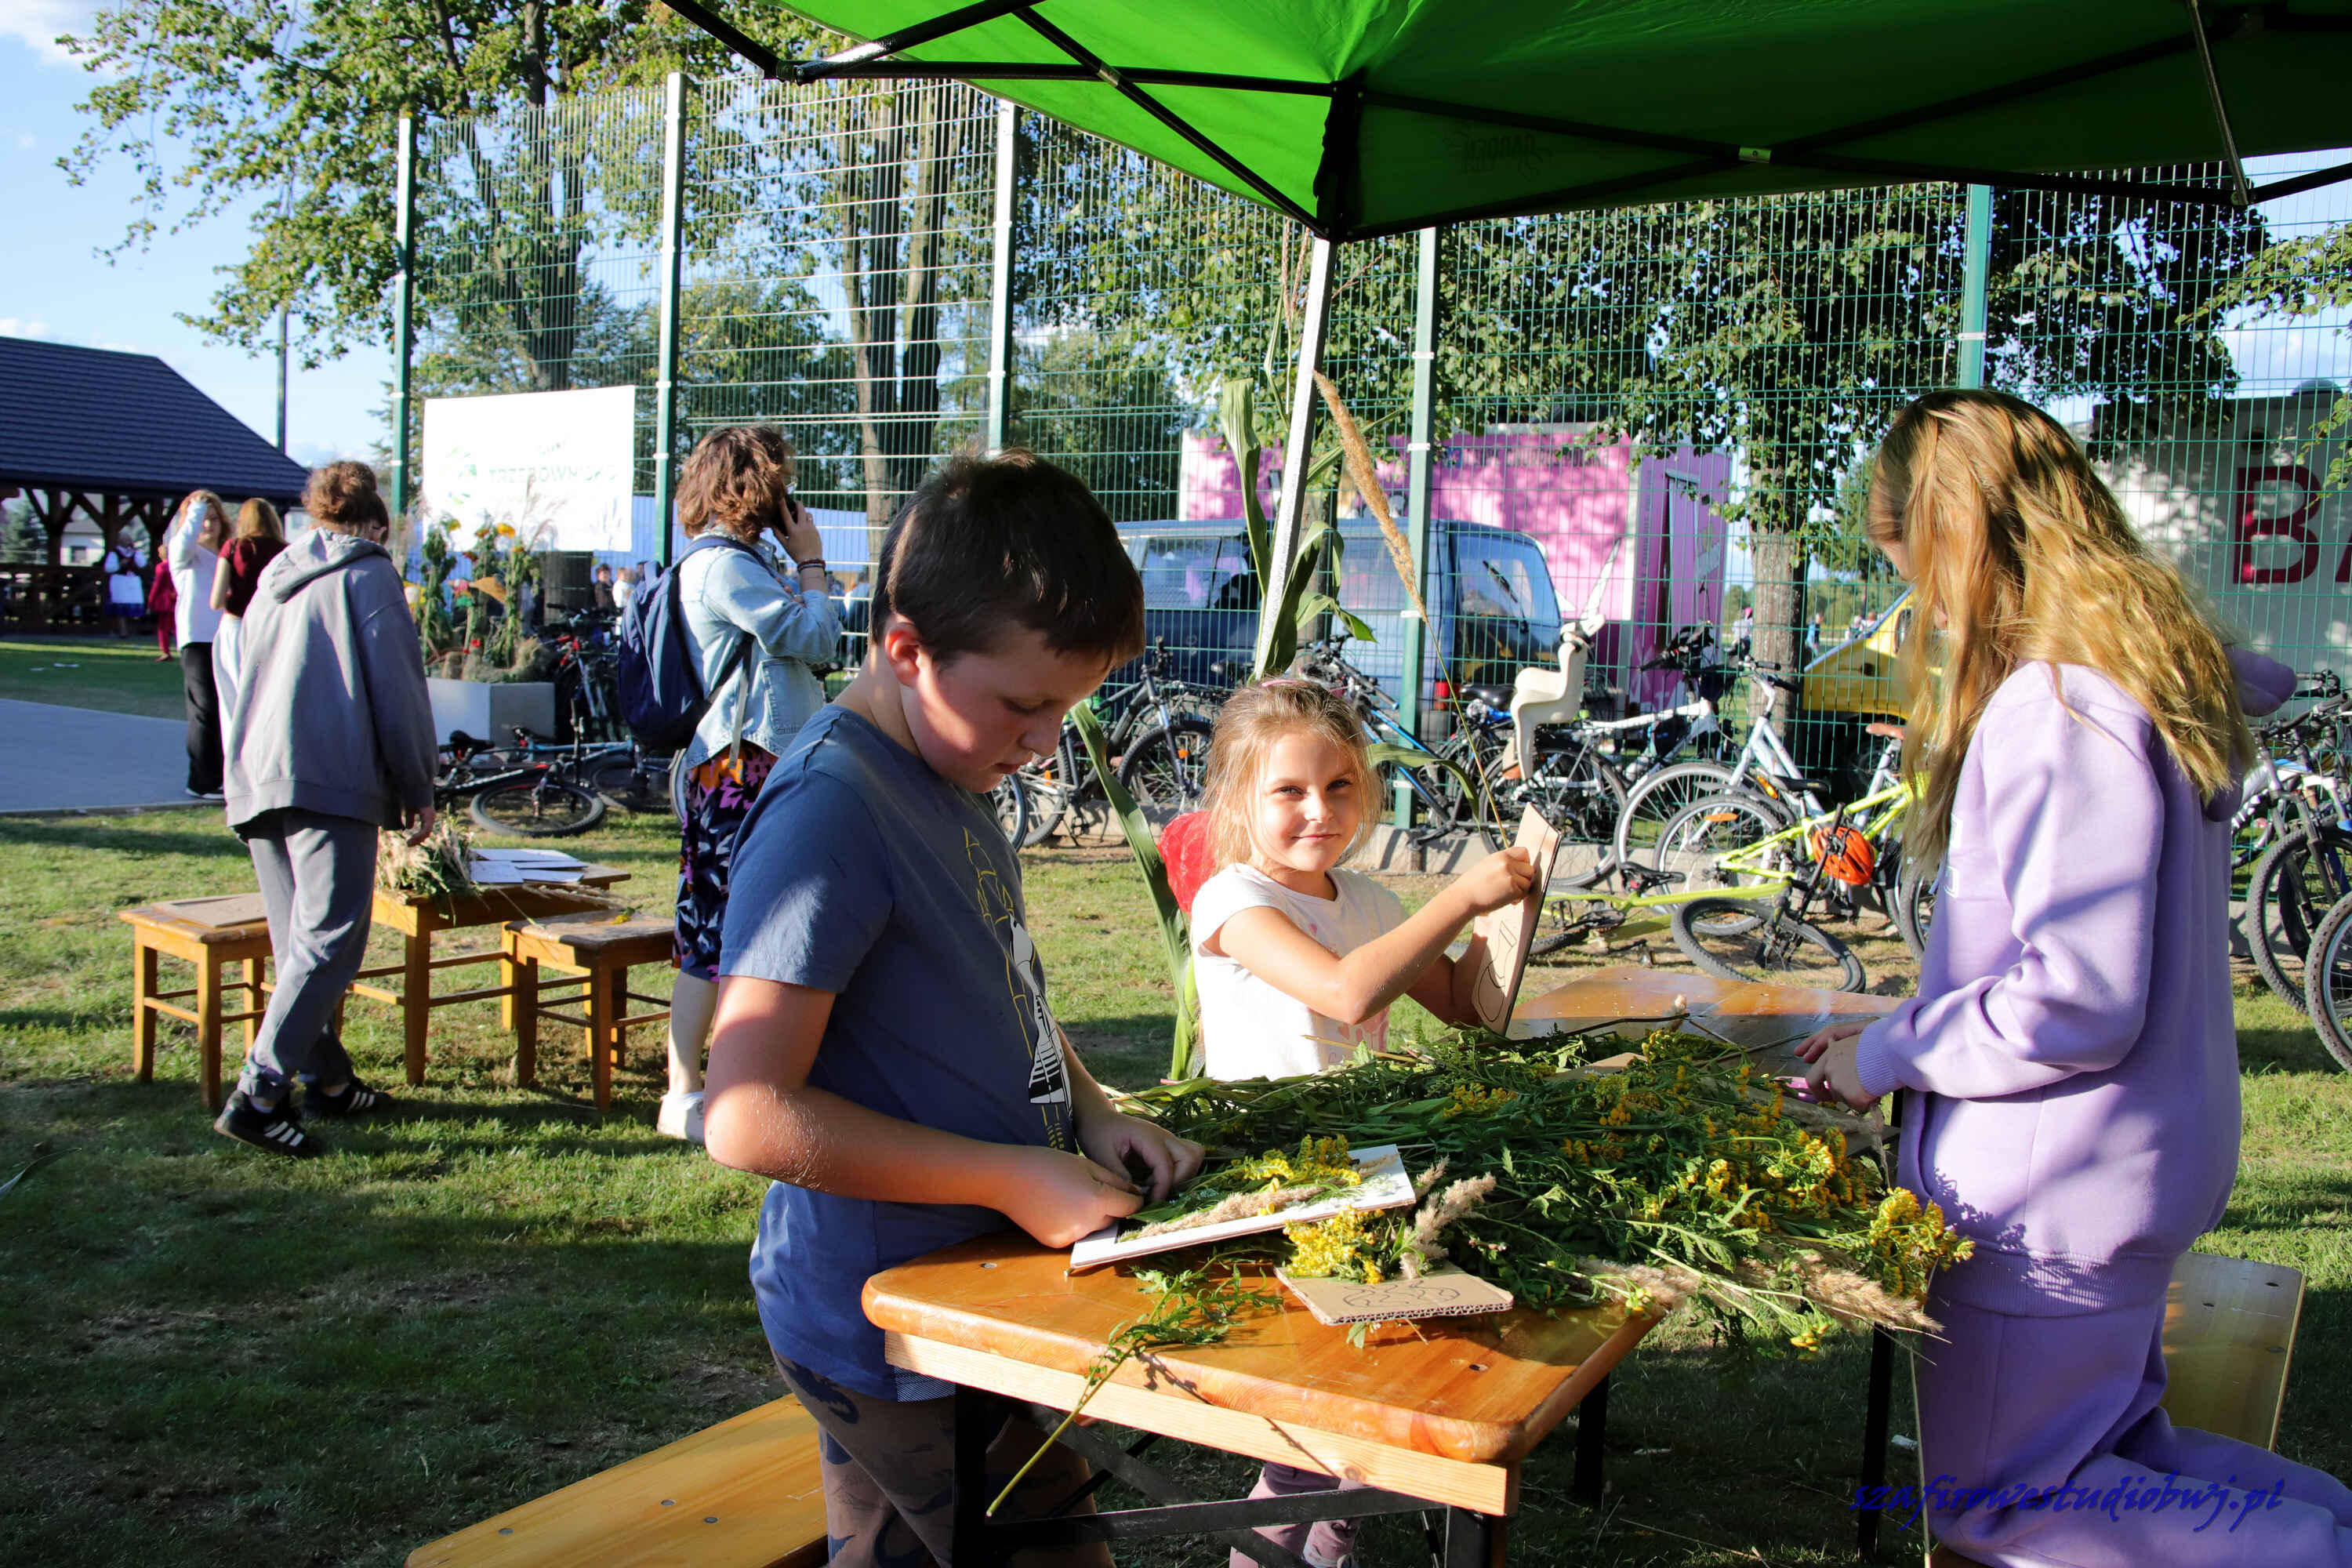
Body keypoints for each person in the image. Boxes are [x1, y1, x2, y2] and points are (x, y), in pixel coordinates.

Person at [1795, 388, 2351, 1565]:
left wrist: (1885, 1052)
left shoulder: (2053, 709)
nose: (1920, 607)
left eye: (1910, 568)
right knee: (2119, 1455)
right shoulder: (2138, 685)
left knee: (1997, 1502)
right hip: (2117, 1170)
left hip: (2047, 1195)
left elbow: (2072, 998)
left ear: (1955, 541)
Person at [700, 448, 1203, 1568]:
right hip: (890, 1322)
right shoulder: (832, 811)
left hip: (965, 1289)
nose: (1046, 743)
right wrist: (1010, 1175)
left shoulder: (953, 766)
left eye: (1067, 708)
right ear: (907, 652)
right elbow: (743, 1113)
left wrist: (1092, 1107)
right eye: (1025, 705)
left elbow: (1001, 983)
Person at [1186, 677, 1533, 1568]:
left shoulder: (1368, 901)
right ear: (1237, 798)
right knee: (1315, 1413)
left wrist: (1504, 924)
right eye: (1289, 790)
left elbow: (1460, 1004)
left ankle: (1329, 1547)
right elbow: (1347, 991)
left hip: (1364, 1169)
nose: (1319, 809)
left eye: (1340, 785)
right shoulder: (1233, 901)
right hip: (1271, 1180)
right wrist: (1460, 899)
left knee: (1382, 1387)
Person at [213, 461, 437, 1157]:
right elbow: (398, 691)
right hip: (328, 777)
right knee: (330, 941)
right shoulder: (369, 575)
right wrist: (418, 785)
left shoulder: (273, 578)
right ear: (374, 525)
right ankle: (257, 1095)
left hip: (258, 774)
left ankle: (330, 1081)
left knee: (298, 948)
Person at [657, 426, 843, 1145]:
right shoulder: (724, 568)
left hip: (752, 762)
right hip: (741, 766)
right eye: (780, 479)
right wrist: (813, 563)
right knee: (714, 929)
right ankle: (685, 1091)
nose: (788, 493)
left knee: (754, 925)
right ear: (755, 486)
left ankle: (738, 1077)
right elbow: (816, 639)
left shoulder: (739, 561)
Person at [165, 490, 230, 797]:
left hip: (227, 638)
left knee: (227, 708)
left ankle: (226, 774)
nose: (208, 525)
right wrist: (196, 507)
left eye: (214, 518)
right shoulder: (185, 555)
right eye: (203, 519)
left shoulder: (226, 554)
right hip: (196, 640)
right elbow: (183, 540)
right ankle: (201, 781)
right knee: (205, 708)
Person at [208, 498, 288, 739]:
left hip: (235, 625)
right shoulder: (285, 551)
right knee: (266, 694)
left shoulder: (234, 547)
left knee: (232, 698)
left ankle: (234, 753)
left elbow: (216, 601)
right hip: (270, 626)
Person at [102, 548, 144, 637]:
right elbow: (108, 568)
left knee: (133, 610)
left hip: (133, 583)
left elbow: (142, 564)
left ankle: (131, 631)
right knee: (120, 610)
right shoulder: (114, 554)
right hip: (120, 583)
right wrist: (120, 564)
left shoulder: (135, 553)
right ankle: (122, 631)